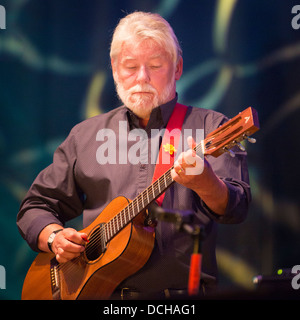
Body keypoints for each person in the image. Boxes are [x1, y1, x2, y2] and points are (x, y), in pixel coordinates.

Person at [17, 11, 251, 299]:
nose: (142, 78)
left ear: (177, 68)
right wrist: (53, 237)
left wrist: (205, 182)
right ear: (114, 68)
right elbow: (35, 207)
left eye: (155, 65)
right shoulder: (84, 135)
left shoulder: (212, 127)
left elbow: (237, 208)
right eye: (130, 66)